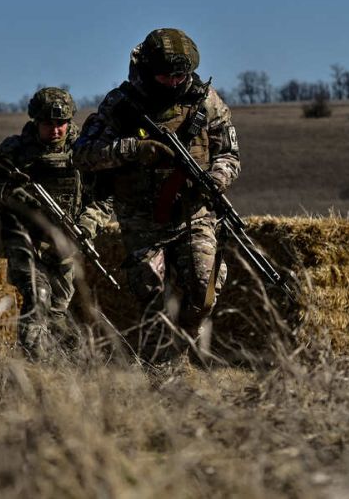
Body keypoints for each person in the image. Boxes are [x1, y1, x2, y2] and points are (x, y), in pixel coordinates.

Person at [72, 28, 240, 362]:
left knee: (203, 291)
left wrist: (216, 178)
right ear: (149, 70)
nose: (174, 82)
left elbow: (229, 155)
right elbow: (83, 154)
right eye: (166, 75)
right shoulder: (120, 104)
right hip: (142, 219)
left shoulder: (206, 101)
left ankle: (180, 351)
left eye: (181, 75)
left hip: (194, 213)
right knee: (153, 296)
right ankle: (160, 370)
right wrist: (133, 149)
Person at [0, 87, 110, 358]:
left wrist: (86, 226)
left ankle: (69, 364)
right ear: (36, 122)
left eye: (61, 123)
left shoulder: (83, 152)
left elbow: (104, 200)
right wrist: (10, 194)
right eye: (48, 124)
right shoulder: (16, 150)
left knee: (57, 315)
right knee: (38, 296)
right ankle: (33, 368)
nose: (55, 130)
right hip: (23, 239)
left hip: (64, 243)